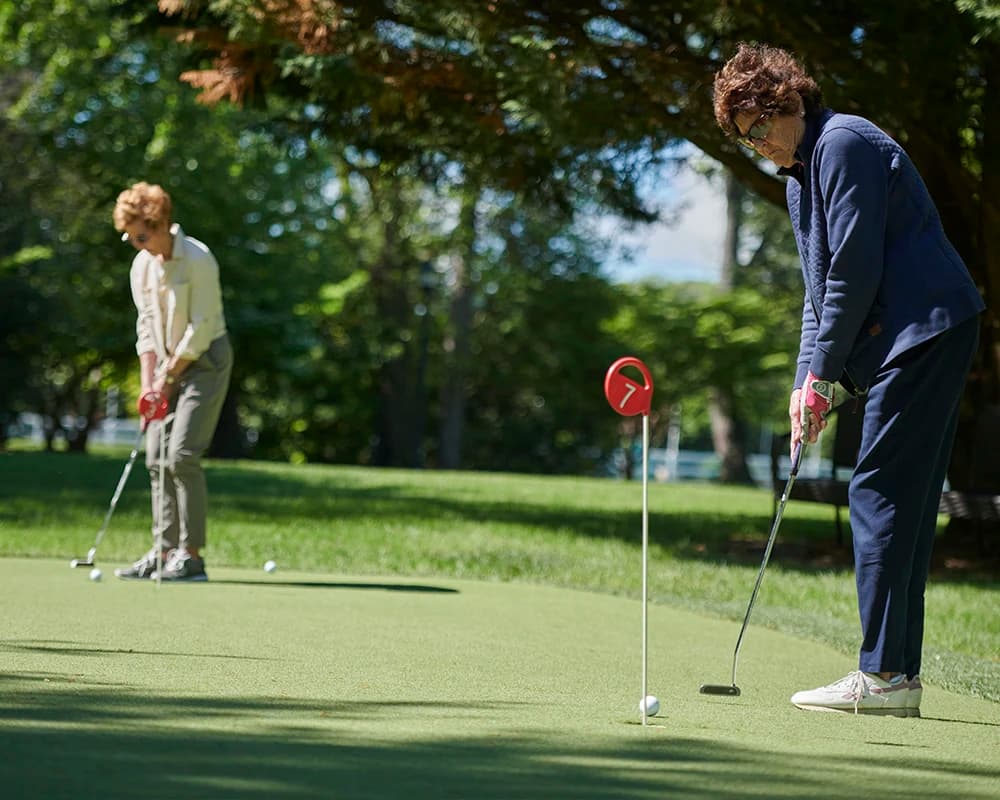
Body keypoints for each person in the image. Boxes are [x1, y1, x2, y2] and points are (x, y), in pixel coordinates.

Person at [713, 44, 984, 716]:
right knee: (906, 504)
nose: (757, 145)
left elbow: (855, 273)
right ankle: (899, 677)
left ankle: (885, 675)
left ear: (789, 102)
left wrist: (826, 374)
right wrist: (811, 383)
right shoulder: (800, 176)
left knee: (880, 492)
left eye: (759, 126)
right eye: (744, 137)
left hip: (927, 329)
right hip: (917, 335)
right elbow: (820, 290)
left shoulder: (843, 144)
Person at [112, 182, 233, 582]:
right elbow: (146, 328)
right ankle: (163, 553)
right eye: (129, 237)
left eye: (141, 235)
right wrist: (150, 385)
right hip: (166, 366)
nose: (135, 244)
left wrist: (167, 378)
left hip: (205, 362)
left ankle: (191, 556)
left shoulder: (198, 259)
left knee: (181, 455)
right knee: (155, 457)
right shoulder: (141, 266)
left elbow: (199, 330)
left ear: (160, 223)